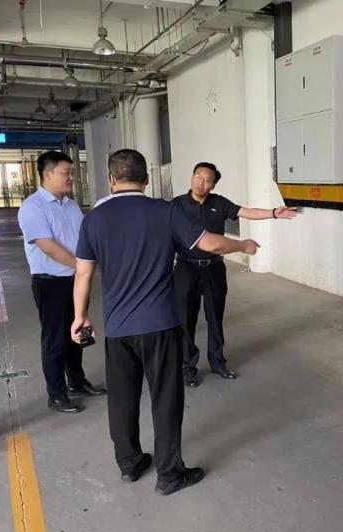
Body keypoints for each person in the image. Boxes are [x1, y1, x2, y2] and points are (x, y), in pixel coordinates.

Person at [71, 149, 259, 496]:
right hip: (159, 324)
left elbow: (83, 274)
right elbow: (211, 244)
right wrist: (243, 244)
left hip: (117, 328)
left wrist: (80, 317)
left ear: (111, 180)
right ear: (146, 180)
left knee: (122, 399)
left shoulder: (94, 219)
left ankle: (129, 464)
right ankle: (170, 474)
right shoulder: (166, 212)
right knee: (165, 398)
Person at [173, 162, 297, 387]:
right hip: (186, 268)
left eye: (207, 180)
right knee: (185, 319)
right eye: (198, 177)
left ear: (213, 185)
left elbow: (246, 212)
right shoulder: (177, 205)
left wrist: (273, 213)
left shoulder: (219, 203)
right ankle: (187, 367)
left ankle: (218, 362)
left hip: (214, 268)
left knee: (215, 317)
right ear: (192, 177)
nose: (201, 182)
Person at [18, 151, 105, 415]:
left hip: (75, 280)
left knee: (78, 331)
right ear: (47, 174)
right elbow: (48, 247)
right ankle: (56, 394)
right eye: (66, 173)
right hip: (51, 283)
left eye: (71, 173)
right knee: (55, 340)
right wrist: (82, 267)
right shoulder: (33, 207)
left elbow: (83, 240)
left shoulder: (71, 205)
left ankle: (77, 381)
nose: (71, 178)